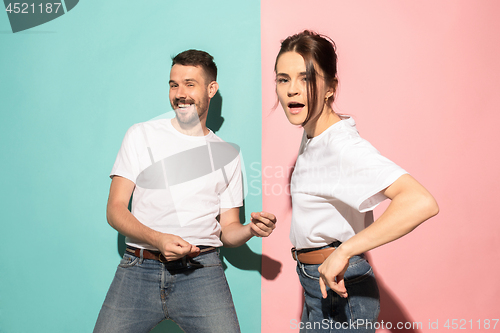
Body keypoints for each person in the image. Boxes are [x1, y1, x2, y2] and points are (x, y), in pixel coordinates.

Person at [94, 49, 277, 333]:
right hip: (138, 269)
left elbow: (227, 231)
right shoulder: (141, 135)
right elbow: (115, 209)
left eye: (190, 84)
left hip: (201, 272)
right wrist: (158, 239)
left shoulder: (227, 154)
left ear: (211, 89)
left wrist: (250, 229)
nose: (180, 93)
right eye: (174, 84)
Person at [274, 30, 439, 332]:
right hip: (316, 281)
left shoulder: (341, 145)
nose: (292, 90)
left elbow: (420, 202)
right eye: (284, 79)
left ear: (330, 88)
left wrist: (344, 252)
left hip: (340, 289)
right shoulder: (314, 133)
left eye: (307, 78)